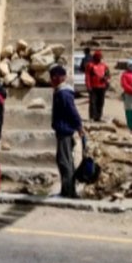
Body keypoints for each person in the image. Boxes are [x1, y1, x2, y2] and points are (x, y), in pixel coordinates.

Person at [50, 64, 85, 198]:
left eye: (53, 78)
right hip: (63, 130)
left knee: (64, 162)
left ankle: (68, 192)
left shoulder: (63, 93)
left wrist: (79, 127)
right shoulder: (61, 92)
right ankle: (68, 190)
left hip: (64, 131)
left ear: (58, 78)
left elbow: (72, 112)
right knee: (66, 161)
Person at [86, 50, 110, 122]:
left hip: (102, 86)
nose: (99, 58)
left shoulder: (104, 66)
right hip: (93, 86)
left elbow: (108, 75)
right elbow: (87, 76)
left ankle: (98, 117)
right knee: (93, 102)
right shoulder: (90, 65)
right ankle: (92, 117)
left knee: (101, 102)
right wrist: (88, 86)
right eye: (98, 57)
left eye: (100, 57)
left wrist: (106, 79)